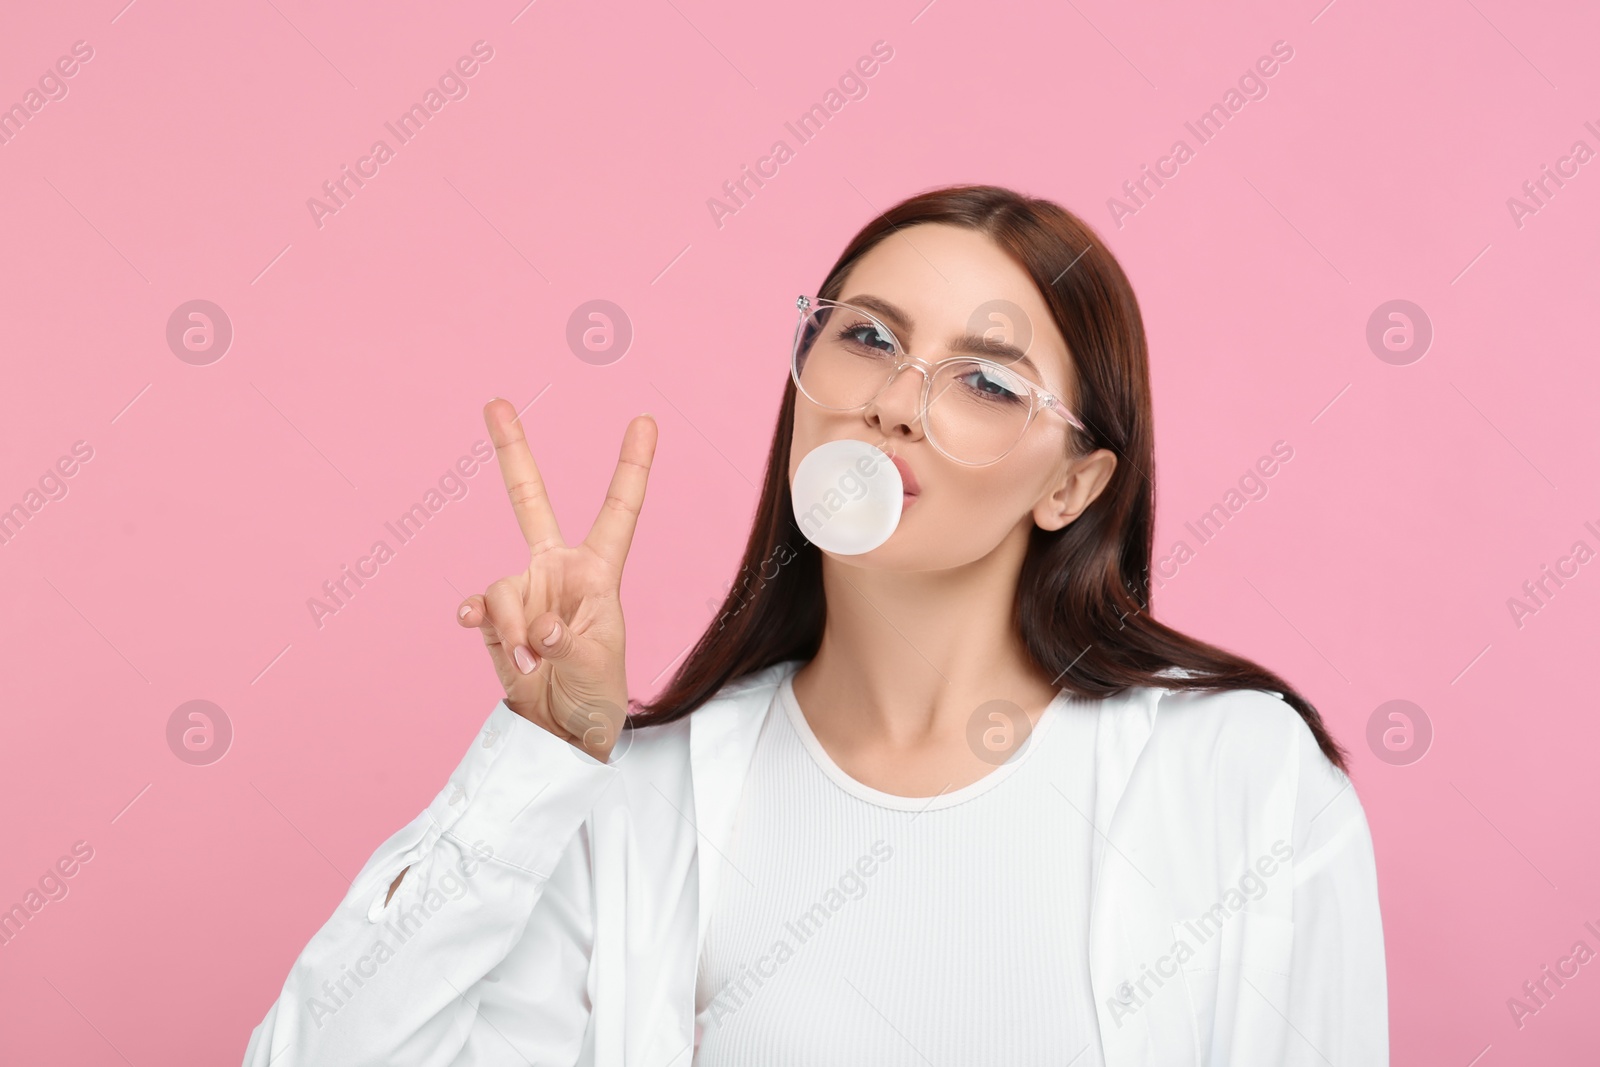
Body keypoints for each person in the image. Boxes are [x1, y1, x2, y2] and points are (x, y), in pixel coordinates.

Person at [241, 184, 1386, 1066]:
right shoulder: (643, 802)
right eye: (868, 337)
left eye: (985, 382)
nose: (893, 401)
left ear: (1072, 487)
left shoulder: (1241, 776)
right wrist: (536, 763)